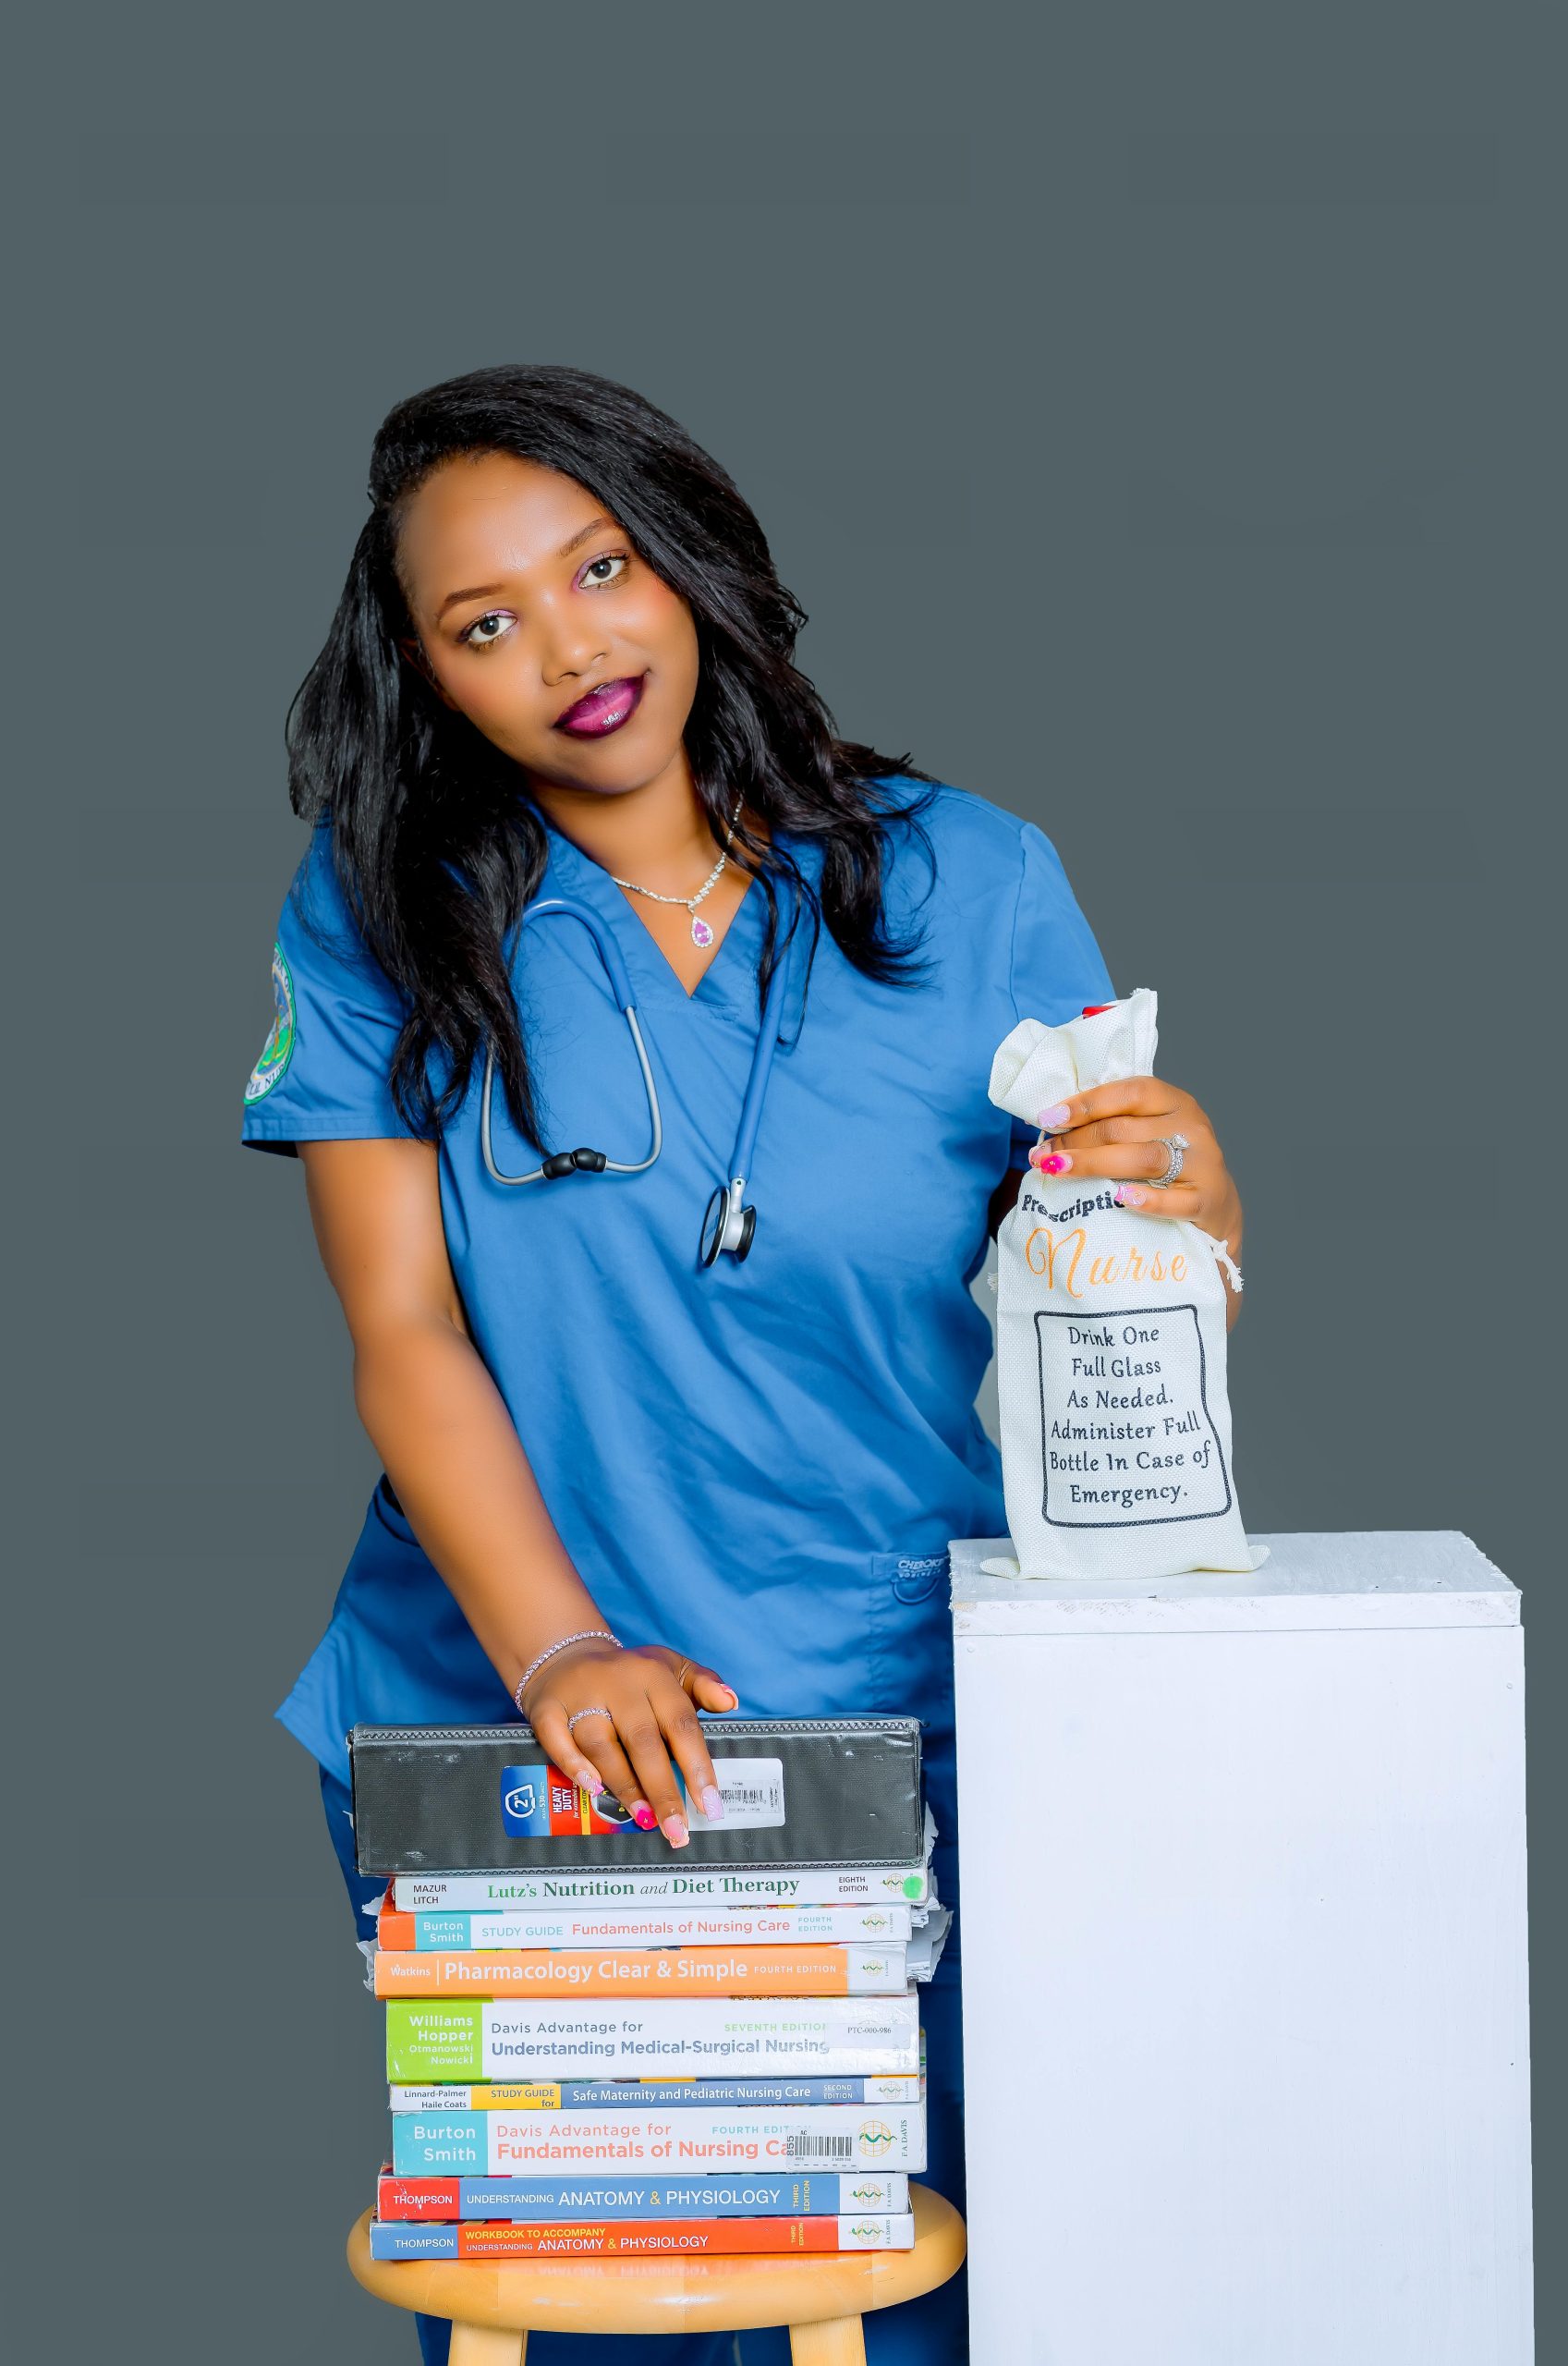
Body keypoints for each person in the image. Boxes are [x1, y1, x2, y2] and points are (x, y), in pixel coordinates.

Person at [238, 362, 1246, 2365]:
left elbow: (1091, 1271)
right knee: (595, 2314)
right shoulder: (383, 915)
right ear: (430, 676)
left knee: (947, 2300)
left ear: (686, 557)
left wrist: (1190, 1204)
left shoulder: (969, 875)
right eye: (484, 622)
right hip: (533, 1734)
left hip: (926, 1724)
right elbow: (404, 1332)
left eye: (599, 567)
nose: (569, 648)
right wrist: (551, 1652)